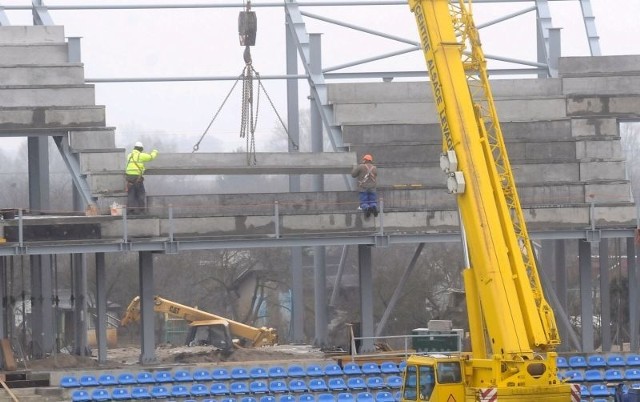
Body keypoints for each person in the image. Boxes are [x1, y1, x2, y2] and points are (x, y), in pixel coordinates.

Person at [125, 141, 158, 215]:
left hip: (129, 179)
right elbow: (151, 157)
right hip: (137, 178)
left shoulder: (129, 155)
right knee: (141, 194)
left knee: (131, 195)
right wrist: (155, 151)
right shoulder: (140, 155)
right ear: (141, 149)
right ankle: (142, 211)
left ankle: (130, 211)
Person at [351, 153, 378, 218]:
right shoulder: (374, 168)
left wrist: (354, 168)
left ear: (365, 160)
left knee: (363, 202)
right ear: (371, 160)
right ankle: (373, 207)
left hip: (363, 188)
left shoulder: (361, 166)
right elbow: (375, 176)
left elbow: (353, 175)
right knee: (372, 201)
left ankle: (367, 209)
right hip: (373, 188)